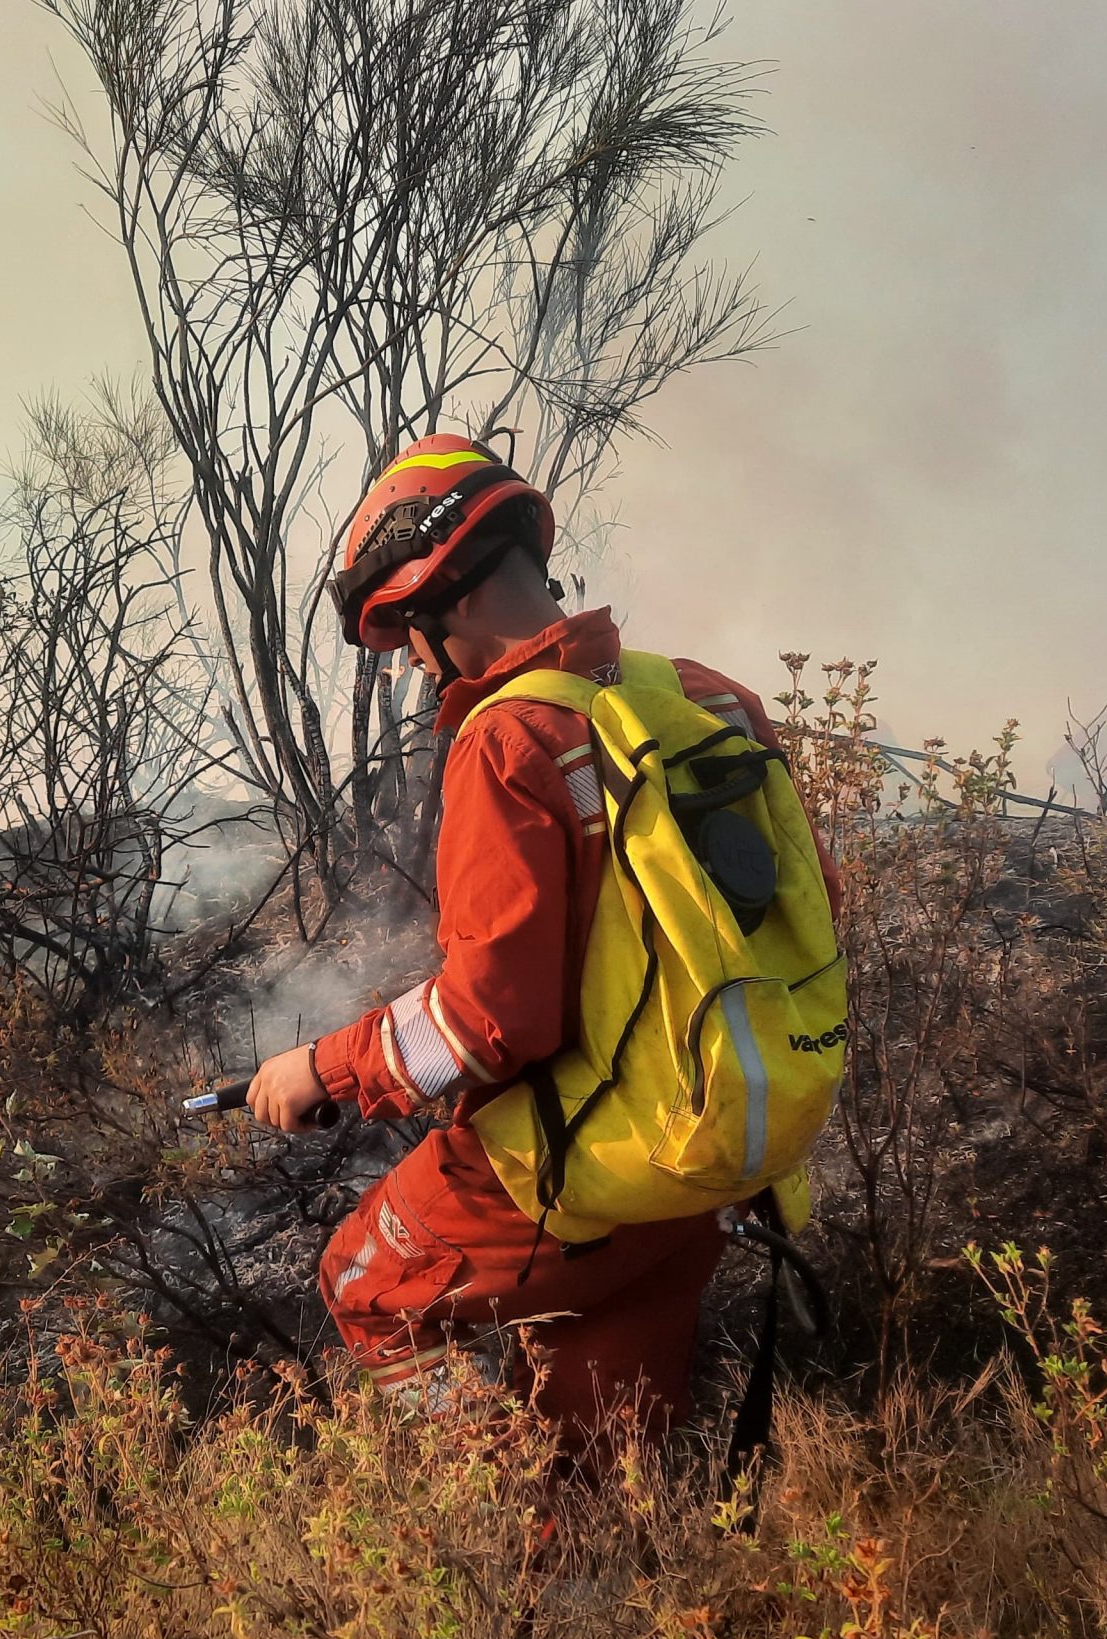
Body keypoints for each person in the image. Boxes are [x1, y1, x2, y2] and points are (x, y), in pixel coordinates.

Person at [246, 436, 841, 1439]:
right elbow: (808, 908)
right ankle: (574, 1579)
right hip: (713, 1155)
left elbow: (488, 1021)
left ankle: (475, 1488)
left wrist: (324, 1068)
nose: (419, 670)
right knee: (596, 1465)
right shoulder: (708, 698)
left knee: (366, 1286)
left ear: (453, 597)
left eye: (414, 637)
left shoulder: (510, 737)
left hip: (586, 1167)